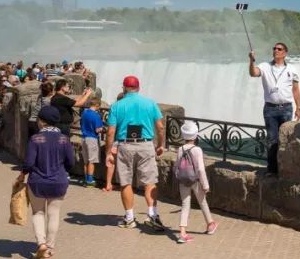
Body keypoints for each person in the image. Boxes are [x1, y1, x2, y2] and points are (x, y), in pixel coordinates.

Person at [104, 76, 166, 230]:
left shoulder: (116, 106)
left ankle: (130, 218)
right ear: (139, 87)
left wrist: (108, 152)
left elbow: (110, 132)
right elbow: (160, 127)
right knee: (150, 181)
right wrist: (160, 145)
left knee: (125, 182)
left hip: (125, 145)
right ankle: (153, 215)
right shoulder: (150, 103)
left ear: (124, 88)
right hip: (146, 144)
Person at [17, 106, 74, 259]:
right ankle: (49, 247)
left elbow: (28, 163)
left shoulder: (36, 139)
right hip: (59, 181)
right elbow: (71, 162)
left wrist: (22, 175)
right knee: (54, 214)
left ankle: (41, 242)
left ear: (41, 121)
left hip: (37, 182)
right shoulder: (64, 139)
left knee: (38, 212)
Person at [248, 42, 300, 175]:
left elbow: (295, 89)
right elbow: (253, 73)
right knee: (272, 140)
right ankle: (272, 169)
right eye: (274, 48)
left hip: (287, 108)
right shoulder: (265, 66)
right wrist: (251, 61)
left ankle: (285, 168)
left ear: (285, 53)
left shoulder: (292, 69)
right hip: (270, 109)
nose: (275, 50)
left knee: (285, 140)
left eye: (279, 49)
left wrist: (298, 107)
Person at [174, 121, 217, 244]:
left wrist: (178, 176)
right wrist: (206, 185)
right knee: (202, 202)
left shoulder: (180, 149)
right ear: (195, 135)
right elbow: (201, 169)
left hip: (183, 180)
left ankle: (182, 233)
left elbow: (176, 166)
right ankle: (210, 224)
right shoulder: (197, 150)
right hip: (195, 180)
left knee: (185, 205)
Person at [80, 99, 105, 187]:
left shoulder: (84, 113)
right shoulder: (96, 115)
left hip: (83, 138)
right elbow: (98, 130)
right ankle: (90, 181)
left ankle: (86, 179)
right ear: (97, 105)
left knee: (86, 161)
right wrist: (103, 127)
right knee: (92, 161)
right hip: (92, 139)